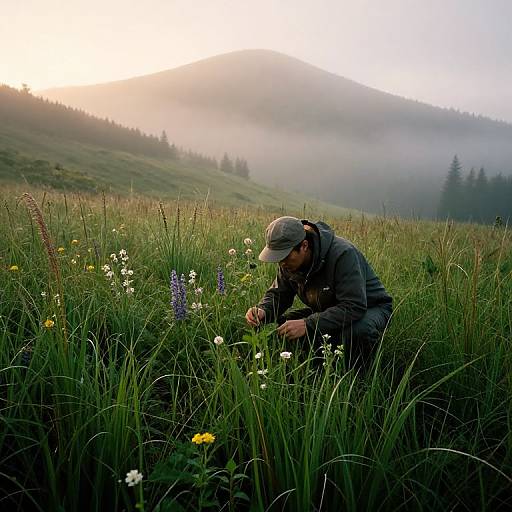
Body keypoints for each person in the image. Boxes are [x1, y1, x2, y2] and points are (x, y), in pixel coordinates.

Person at [245, 216, 393, 371]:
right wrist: (263, 310)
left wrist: (308, 325)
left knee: (357, 332)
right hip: (329, 309)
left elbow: (354, 305)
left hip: (370, 308)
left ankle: (357, 378)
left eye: (285, 256)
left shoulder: (343, 254)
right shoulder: (288, 263)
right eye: (277, 257)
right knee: (282, 327)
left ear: (304, 246)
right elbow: (279, 294)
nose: (281, 263)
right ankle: (308, 368)